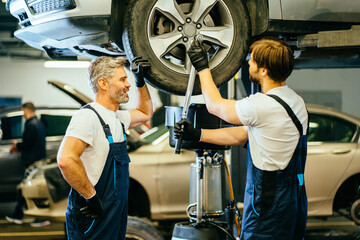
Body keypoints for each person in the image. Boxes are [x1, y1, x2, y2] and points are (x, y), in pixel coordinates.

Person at [174, 37, 308, 239]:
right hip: (293, 199)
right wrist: (199, 135)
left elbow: (215, 106)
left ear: (264, 70)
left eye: (252, 60)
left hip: (268, 203)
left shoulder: (261, 105)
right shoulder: (296, 101)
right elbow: (244, 135)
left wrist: (202, 66)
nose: (248, 63)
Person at [57, 56, 153, 239]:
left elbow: (144, 113)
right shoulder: (88, 117)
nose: (128, 85)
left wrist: (141, 81)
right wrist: (91, 197)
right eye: (123, 79)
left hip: (114, 210)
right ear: (103, 83)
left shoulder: (117, 118)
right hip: (93, 211)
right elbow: (66, 160)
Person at [6, 102, 50, 227]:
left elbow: (28, 144)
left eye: (23, 111)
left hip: (32, 163)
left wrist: (16, 145)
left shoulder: (30, 125)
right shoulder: (40, 124)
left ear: (27, 110)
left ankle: (35, 218)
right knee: (29, 190)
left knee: (26, 190)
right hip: (38, 161)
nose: (23, 114)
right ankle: (19, 216)